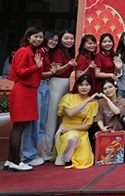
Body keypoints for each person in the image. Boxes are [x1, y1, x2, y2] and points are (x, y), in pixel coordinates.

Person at [5, 26, 44, 172]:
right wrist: (36, 67)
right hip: (22, 91)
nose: (38, 39)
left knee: (20, 127)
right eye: (35, 36)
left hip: (28, 91)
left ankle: (10, 160)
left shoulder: (33, 52)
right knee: (18, 127)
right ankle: (16, 161)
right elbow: (20, 72)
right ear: (28, 37)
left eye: (40, 37)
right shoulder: (24, 51)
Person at [22, 30, 58, 167]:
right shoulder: (38, 52)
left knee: (42, 122)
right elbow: (37, 73)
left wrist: (51, 72)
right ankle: (27, 155)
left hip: (46, 85)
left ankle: (33, 153)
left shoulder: (47, 53)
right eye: (51, 39)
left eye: (56, 40)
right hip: (38, 86)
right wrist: (50, 72)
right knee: (34, 122)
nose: (53, 42)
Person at [43, 29, 77, 161]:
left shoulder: (68, 52)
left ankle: (55, 150)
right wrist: (69, 64)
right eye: (66, 38)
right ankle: (46, 152)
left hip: (65, 83)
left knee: (60, 119)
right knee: (52, 118)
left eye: (71, 38)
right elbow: (56, 71)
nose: (69, 41)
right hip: (56, 83)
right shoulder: (58, 52)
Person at [54, 74, 99, 169]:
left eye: (87, 85)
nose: (84, 87)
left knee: (85, 160)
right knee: (73, 137)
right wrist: (87, 101)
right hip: (65, 129)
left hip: (81, 131)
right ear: (77, 86)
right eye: (81, 85)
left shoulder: (94, 103)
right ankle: (64, 156)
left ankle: (70, 156)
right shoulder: (68, 97)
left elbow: (87, 126)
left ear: (91, 87)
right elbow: (70, 113)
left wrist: (71, 128)